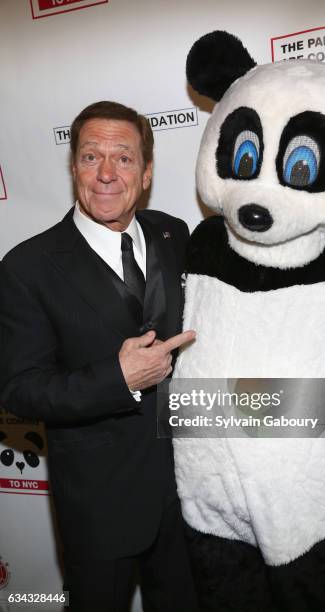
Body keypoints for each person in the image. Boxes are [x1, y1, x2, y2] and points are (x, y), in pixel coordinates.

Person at [0, 101, 198, 612]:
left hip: (189, 495)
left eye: (124, 158)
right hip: (99, 507)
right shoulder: (28, 266)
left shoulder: (174, 233)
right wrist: (119, 377)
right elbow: (19, 389)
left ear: (147, 171)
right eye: (91, 157)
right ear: (73, 168)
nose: (106, 173)